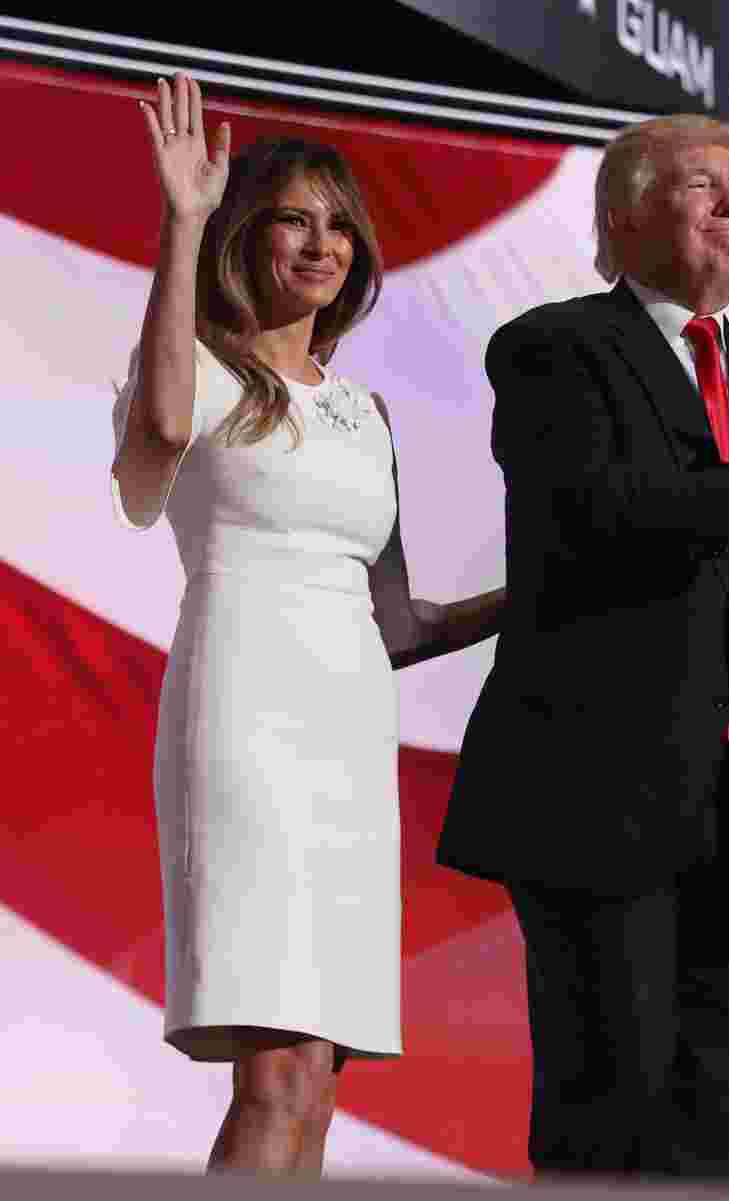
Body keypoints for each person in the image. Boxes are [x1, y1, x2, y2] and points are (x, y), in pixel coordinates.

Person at [437, 114, 729, 1181]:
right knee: (612, 1107)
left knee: (721, 1122)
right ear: (622, 215)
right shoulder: (554, 349)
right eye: (700, 183)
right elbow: (602, 514)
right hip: (601, 792)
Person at [111, 73, 504, 1178]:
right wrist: (180, 224)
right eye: (294, 216)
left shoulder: (361, 411)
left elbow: (399, 623)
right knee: (275, 1072)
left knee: (318, 1081)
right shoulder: (193, 368)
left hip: (346, 737)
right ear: (248, 235)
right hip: (246, 715)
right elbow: (155, 431)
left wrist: (544, 586)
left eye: (340, 223)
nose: (322, 242)